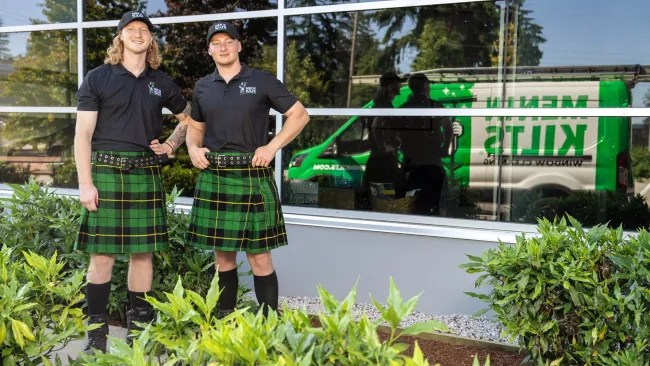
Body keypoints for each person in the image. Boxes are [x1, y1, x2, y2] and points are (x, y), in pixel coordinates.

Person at [74, 11, 191, 353]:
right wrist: (85, 182)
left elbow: (190, 119)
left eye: (144, 30)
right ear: (120, 37)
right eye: (131, 30)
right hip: (106, 173)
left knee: (143, 255)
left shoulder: (162, 81)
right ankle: (97, 337)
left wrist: (171, 144)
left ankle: (139, 333)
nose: (138, 34)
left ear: (151, 40)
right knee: (102, 257)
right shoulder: (98, 78)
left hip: (144, 172)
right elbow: (83, 134)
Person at [185, 21, 310, 318]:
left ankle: (268, 324)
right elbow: (195, 129)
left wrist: (271, 147)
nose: (223, 47)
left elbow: (299, 115)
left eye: (229, 41)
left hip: (252, 176)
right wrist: (192, 148)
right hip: (216, 176)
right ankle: (224, 322)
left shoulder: (262, 80)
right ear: (209, 50)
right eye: (216, 42)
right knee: (223, 258)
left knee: (260, 257)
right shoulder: (203, 87)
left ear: (239, 45)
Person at [401, 73, 463, 215]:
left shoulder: (405, 108)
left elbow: (396, 135)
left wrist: (404, 150)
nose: (429, 88)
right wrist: (444, 147)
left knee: (412, 206)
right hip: (432, 164)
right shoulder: (435, 106)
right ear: (425, 86)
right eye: (428, 85)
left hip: (413, 165)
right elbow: (448, 128)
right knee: (434, 205)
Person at [364, 72, 407, 201]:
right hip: (382, 165)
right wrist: (384, 147)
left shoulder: (382, 106)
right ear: (391, 87)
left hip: (381, 163)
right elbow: (376, 126)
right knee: (383, 204)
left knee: (382, 203)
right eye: (397, 83)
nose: (400, 86)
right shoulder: (383, 108)